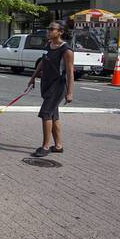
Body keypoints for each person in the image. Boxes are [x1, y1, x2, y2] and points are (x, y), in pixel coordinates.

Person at [28, 20, 74, 157]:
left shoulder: (66, 50)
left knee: (46, 113)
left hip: (58, 86)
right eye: (48, 28)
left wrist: (70, 92)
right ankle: (58, 146)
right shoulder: (49, 45)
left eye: (52, 29)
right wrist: (33, 77)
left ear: (60, 32)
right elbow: (43, 61)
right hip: (46, 84)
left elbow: (70, 73)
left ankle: (45, 146)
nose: (49, 31)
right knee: (54, 115)